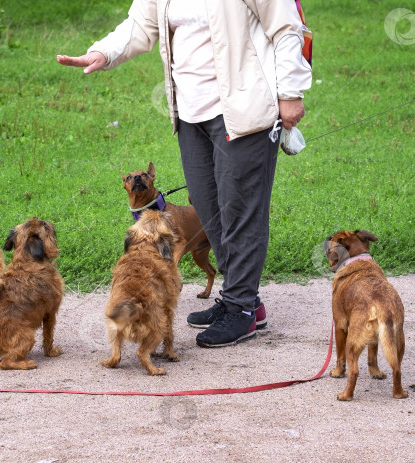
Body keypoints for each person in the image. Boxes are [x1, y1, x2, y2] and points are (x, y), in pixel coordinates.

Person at [58, 0, 312, 348]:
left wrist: (290, 93)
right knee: (208, 207)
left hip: (244, 106)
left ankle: (240, 309)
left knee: (240, 208)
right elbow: (140, 24)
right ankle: (245, 299)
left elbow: (286, 27)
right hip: (191, 113)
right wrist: (103, 52)